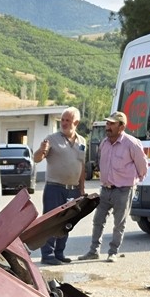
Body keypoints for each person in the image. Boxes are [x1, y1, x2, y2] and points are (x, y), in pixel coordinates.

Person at [79, 111, 148, 262]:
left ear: (121, 127)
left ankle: (113, 252)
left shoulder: (131, 143)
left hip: (124, 190)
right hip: (105, 189)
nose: (108, 127)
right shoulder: (104, 143)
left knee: (119, 223)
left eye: (112, 124)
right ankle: (93, 251)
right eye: (107, 123)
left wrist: (134, 181)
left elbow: (142, 166)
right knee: (98, 220)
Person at [32, 109, 85, 264]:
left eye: (68, 120)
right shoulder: (51, 139)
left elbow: (82, 166)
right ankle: (47, 255)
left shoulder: (82, 141)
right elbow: (37, 158)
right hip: (54, 188)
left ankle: (59, 253)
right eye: (62, 119)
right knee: (51, 221)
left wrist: (81, 189)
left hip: (73, 189)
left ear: (76, 123)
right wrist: (42, 150)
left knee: (67, 222)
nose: (64, 123)